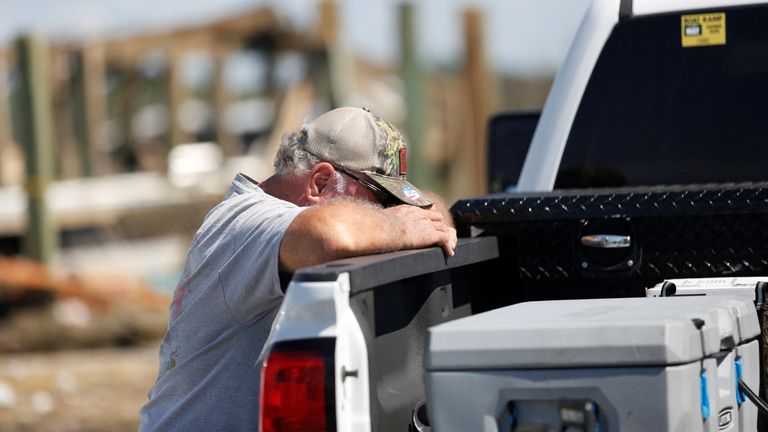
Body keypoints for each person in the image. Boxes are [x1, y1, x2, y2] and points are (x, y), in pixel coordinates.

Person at [139, 106, 457, 431]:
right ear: (319, 183)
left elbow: (434, 216)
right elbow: (333, 234)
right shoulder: (245, 219)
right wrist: (400, 228)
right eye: (379, 199)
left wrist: (407, 217)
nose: (386, 212)